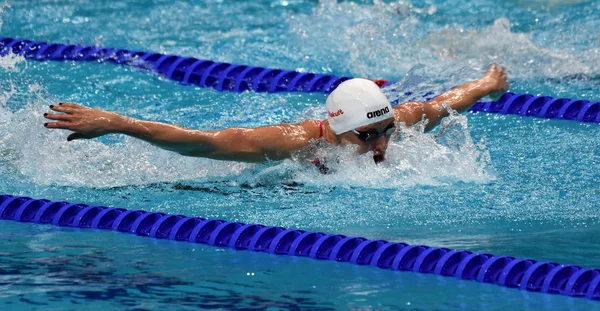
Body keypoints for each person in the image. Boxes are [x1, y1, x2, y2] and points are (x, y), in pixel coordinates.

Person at [43, 64, 508, 165]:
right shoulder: (294, 141)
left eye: (386, 131)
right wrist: (116, 123)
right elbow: (202, 141)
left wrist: (486, 85)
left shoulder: (392, 124)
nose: (383, 145)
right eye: (369, 137)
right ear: (340, 128)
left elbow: (442, 104)